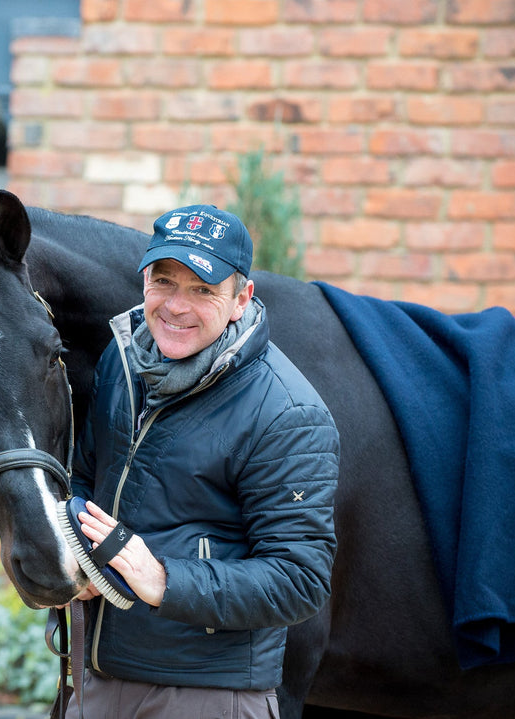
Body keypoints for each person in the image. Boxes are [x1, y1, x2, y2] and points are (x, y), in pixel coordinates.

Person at [67, 205, 339, 718]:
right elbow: (87, 479)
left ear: (242, 299)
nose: (175, 306)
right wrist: (76, 560)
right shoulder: (120, 362)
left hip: (209, 696)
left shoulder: (288, 414)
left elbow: (300, 581)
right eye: (164, 281)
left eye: (203, 290)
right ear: (144, 278)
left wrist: (165, 580)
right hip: (99, 681)